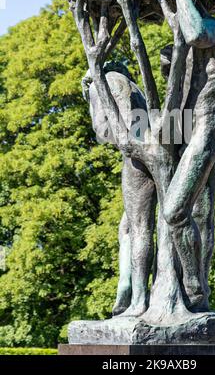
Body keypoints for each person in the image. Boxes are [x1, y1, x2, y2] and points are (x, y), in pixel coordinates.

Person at [161, 0, 215, 311]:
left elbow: (192, 32)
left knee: (175, 211)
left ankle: (193, 289)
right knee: (203, 213)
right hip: (193, 126)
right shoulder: (196, 36)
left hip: (210, 126)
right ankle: (199, 297)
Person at [82, 63, 157, 317]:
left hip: (136, 157)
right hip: (157, 152)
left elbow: (103, 130)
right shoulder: (135, 88)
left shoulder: (100, 84)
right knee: (128, 227)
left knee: (138, 229)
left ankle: (136, 297)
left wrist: (92, 99)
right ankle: (129, 288)